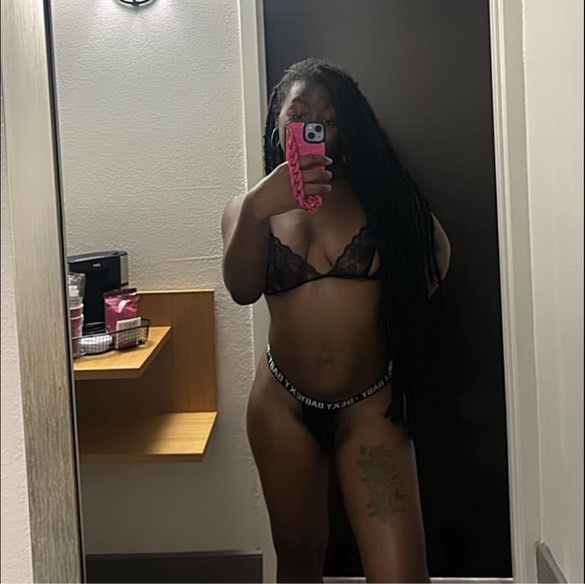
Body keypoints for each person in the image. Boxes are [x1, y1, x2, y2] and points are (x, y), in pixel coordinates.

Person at [221, 58, 451, 583]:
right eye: (299, 113)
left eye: (329, 118)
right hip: (281, 408)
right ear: (278, 123)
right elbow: (242, 290)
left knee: (401, 576)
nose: (314, 126)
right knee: (298, 560)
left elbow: (437, 253)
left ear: (346, 129)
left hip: (369, 407)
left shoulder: (382, 196)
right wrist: (257, 208)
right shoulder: (247, 207)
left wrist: (396, 310)